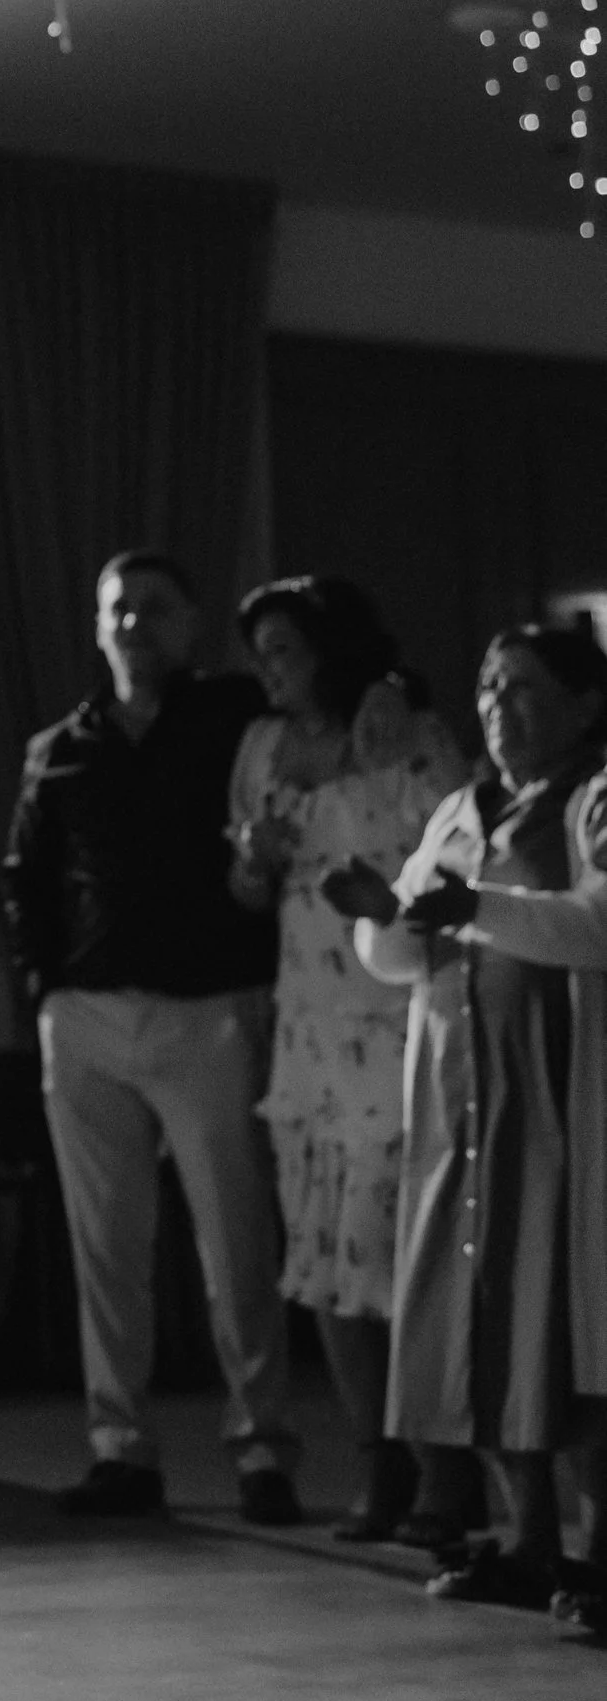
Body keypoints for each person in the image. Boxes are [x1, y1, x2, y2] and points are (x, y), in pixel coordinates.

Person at [4, 550, 301, 1523]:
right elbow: (26, 877)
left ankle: (262, 1450)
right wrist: (45, 990)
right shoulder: (60, 747)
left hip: (206, 1010)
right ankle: (120, 1449)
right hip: (87, 1017)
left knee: (236, 1242)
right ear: (97, 627)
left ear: (188, 622)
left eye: (152, 607)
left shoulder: (233, 722)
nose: (132, 622)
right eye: (116, 608)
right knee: (105, 1248)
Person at [335, 619, 607, 1614]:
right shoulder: (463, 808)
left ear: (585, 702)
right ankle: (527, 1543)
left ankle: (597, 1555)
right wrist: (380, 914)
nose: (498, 707)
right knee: (481, 1320)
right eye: (489, 688)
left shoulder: (594, 797)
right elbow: (406, 953)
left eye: (523, 688)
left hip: (561, 1105)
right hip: (464, 1108)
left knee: (572, 1331)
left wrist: (473, 909)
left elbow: (601, 922)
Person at [226, 578, 469, 1538]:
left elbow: (462, 857)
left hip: (396, 1013)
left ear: (330, 647)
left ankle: (442, 1460)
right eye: (260, 654)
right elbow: (247, 889)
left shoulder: (405, 730)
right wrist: (253, 858)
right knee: (324, 1247)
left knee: (401, 1244)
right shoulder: (262, 746)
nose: (268, 670)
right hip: (308, 1024)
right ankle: (376, 1456)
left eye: (283, 649)